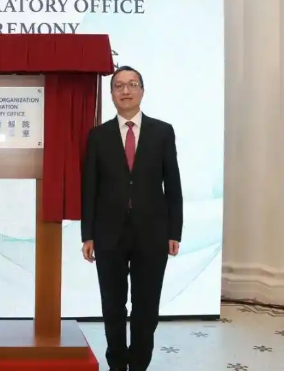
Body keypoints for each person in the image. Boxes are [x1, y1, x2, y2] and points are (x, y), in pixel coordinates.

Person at [80, 66, 183, 371]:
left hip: (152, 233)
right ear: (112, 94)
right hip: (108, 234)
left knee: (146, 307)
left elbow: (172, 185)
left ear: (142, 91)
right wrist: (88, 234)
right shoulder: (98, 136)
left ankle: (138, 364)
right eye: (119, 86)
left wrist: (174, 231)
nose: (125, 91)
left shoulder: (162, 132)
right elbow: (90, 188)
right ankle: (116, 364)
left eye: (132, 84)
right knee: (112, 306)